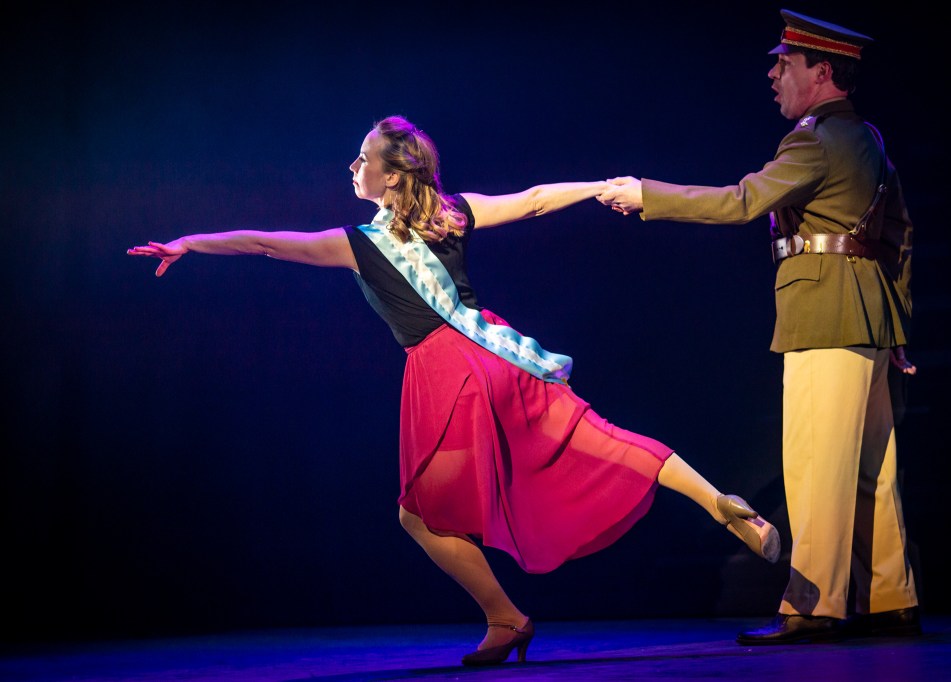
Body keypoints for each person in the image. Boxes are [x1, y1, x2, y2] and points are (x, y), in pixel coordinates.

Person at [129, 114, 780, 666]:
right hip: (500, 354)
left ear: (390, 177)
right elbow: (533, 199)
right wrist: (599, 187)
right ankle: (720, 502)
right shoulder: (453, 214)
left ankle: (506, 617)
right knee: (600, 438)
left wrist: (191, 243)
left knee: (419, 514)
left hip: (447, 375)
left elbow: (267, 245)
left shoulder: (358, 245)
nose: (353, 167)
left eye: (362, 159)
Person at [597, 9, 920, 645]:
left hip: (825, 315)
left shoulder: (812, 140)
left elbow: (742, 201)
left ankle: (814, 606)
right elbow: (899, 237)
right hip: (868, 318)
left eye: (785, 63)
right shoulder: (867, 137)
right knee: (869, 470)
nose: (773, 74)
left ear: (821, 72)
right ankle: (889, 598)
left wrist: (647, 195)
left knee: (816, 466)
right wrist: (897, 325)